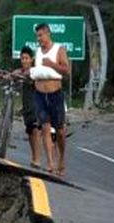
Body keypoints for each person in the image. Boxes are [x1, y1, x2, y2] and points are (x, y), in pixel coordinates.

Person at [27, 22, 71, 175]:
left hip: (55, 94)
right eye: (37, 36)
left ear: (47, 33)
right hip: (39, 95)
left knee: (59, 130)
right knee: (45, 127)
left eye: (40, 35)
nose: (38, 39)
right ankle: (51, 162)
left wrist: (52, 64)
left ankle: (61, 159)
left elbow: (67, 71)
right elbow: (31, 70)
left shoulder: (59, 49)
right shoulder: (37, 52)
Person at [17, 46, 42, 167]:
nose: (24, 60)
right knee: (30, 132)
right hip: (26, 107)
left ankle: (37, 159)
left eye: (26, 58)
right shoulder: (20, 72)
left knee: (35, 131)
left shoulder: (34, 71)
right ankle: (34, 157)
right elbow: (14, 74)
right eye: (22, 58)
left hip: (36, 105)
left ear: (31, 59)